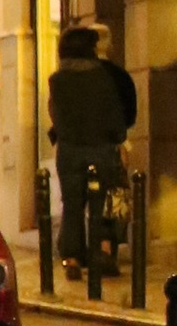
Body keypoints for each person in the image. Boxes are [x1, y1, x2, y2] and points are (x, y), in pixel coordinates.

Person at [47, 18, 133, 278]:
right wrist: (118, 138)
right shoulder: (103, 78)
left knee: (72, 204)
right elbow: (115, 117)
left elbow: (56, 115)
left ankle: (71, 259)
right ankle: (102, 252)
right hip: (101, 149)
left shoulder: (57, 80)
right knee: (103, 203)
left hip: (70, 151)